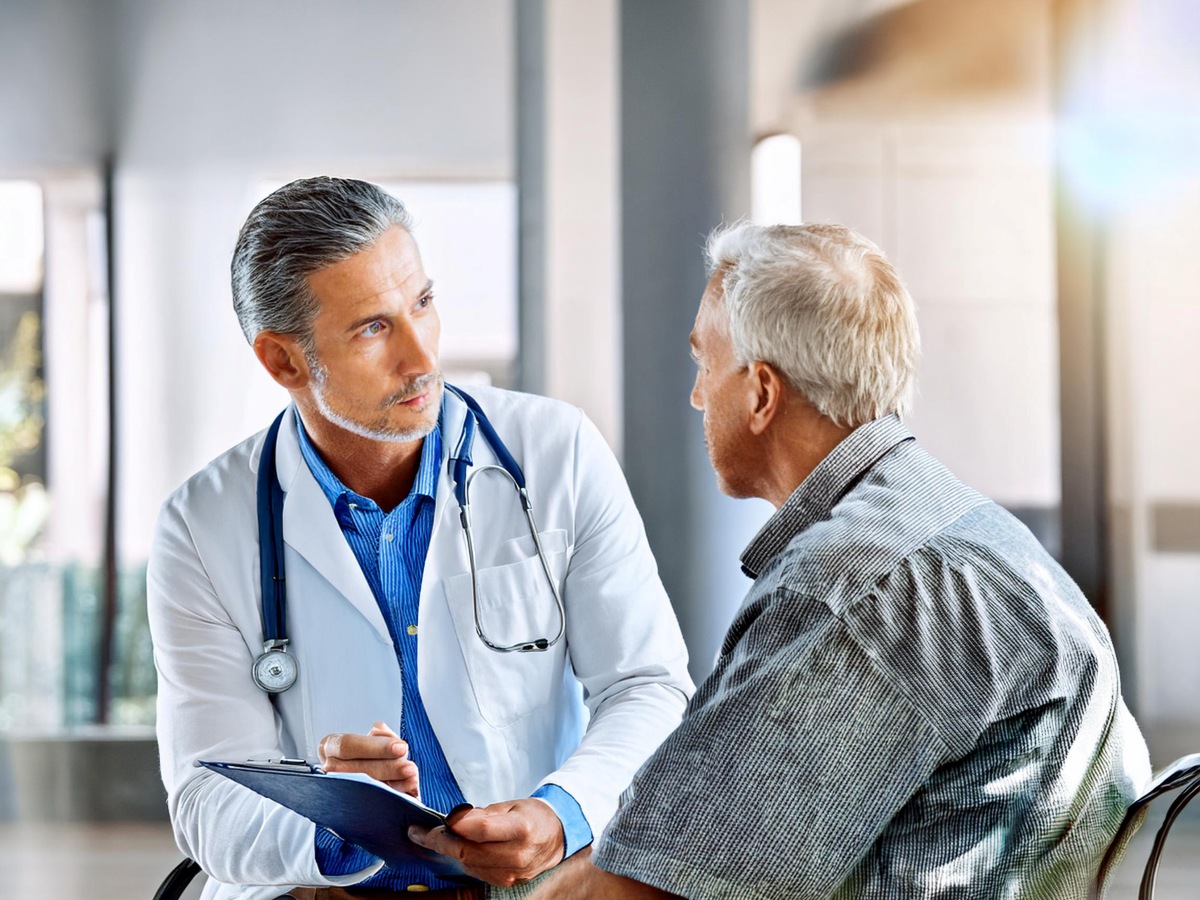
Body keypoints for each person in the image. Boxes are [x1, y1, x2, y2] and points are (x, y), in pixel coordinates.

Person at [429, 221, 1153, 899]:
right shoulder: (964, 530)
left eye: (703, 364)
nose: (694, 395)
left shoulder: (858, 590)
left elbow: (657, 886)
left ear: (761, 393)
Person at [147, 176, 693, 900]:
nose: (421, 357)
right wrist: (331, 825)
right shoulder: (201, 528)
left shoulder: (556, 451)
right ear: (283, 361)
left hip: (534, 887)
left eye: (423, 304)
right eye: (373, 327)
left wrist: (561, 814)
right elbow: (204, 797)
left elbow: (648, 687)